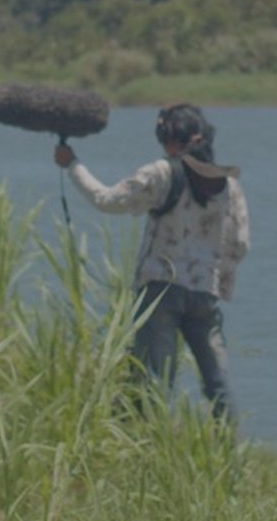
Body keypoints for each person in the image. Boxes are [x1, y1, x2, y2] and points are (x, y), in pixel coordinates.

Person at [54, 103, 250, 421]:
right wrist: (217, 285)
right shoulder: (229, 184)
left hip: (160, 290)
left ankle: (143, 450)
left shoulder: (161, 173)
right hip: (205, 294)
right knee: (218, 383)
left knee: (152, 383)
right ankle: (231, 455)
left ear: (169, 137)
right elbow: (240, 245)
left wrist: (72, 164)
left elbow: (106, 200)